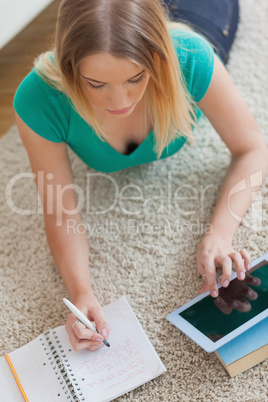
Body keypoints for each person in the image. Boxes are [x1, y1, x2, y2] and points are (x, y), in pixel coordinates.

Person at [13, 0, 267, 352]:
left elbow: (254, 150)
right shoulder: (40, 98)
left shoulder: (189, 55)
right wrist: (81, 292)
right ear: (71, 71)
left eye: (136, 78)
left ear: (159, 60)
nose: (120, 100)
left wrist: (219, 236)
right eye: (96, 83)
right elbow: (60, 211)